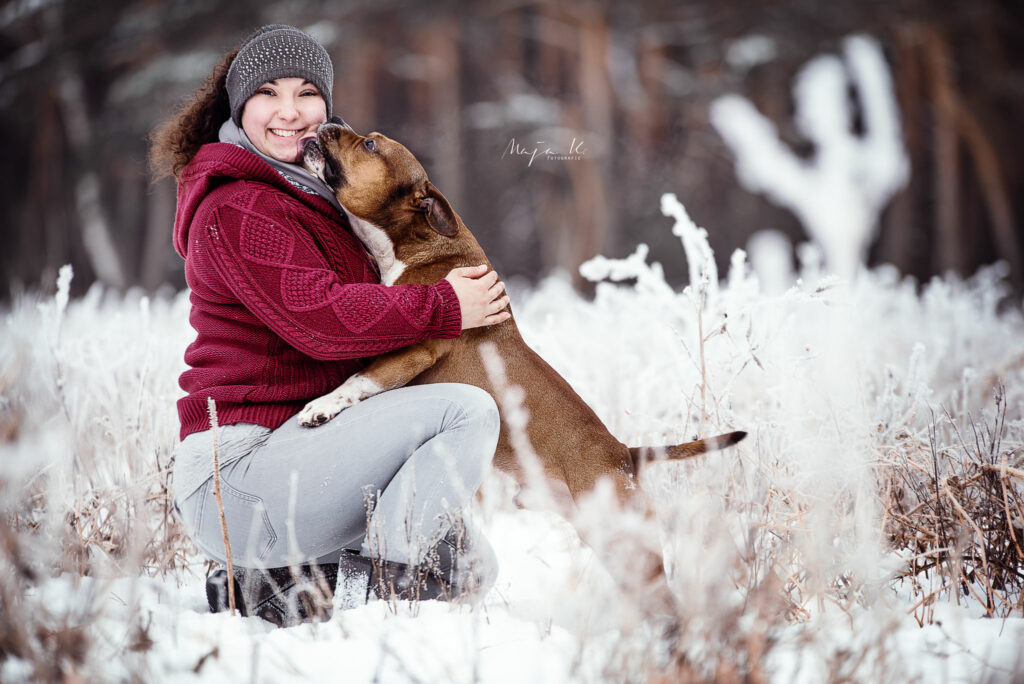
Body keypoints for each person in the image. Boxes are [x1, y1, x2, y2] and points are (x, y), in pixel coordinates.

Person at [149, 24, 510, 626]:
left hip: (303, 451)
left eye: (307, 93)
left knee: (471, 568)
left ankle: (266, 587)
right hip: (240, 472)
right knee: (467, 412)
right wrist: (445, 307)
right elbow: (321, 319)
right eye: (268, 94)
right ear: (239, 108)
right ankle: (382, 595)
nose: (290, 112)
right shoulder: (240, 205)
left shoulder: (311, 192)